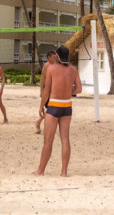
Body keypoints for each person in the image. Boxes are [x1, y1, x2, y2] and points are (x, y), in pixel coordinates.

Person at [33, 46, 82, 177]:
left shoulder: (51, 68)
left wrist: (41, 106)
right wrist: (68, 91)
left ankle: (40, 171)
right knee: (65, 139)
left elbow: (47, 90)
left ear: (58, 56)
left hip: (54, 105)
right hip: (67, 106)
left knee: (48, 140)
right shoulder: (73, 70)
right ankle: (64, 172)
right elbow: (79, 89)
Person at [35, 51, 57, 134]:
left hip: (54, 89)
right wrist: (41, 90)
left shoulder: (56, 65)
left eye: (55, 57)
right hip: (47, 89)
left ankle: (39, 122)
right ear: (49, 57)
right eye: (53, 57)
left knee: (53, 108)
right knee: (50, 109)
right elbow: (42, 78)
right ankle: (39, 122)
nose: (55, 58)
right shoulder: (46, 66)